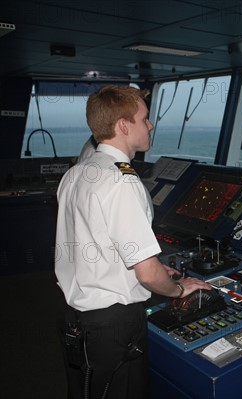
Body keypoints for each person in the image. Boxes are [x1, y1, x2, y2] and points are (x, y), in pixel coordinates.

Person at [55, 86, 210, 399]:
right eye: (144, 119)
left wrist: (154, 264)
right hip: (112, 325)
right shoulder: (122, 181)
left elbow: (93, 242)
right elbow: (146, 274)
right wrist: (179, 289)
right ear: (123, 126)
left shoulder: (76, 173)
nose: (150, 125)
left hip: (73, 317)